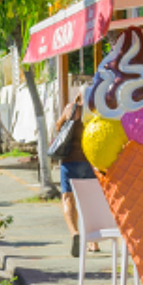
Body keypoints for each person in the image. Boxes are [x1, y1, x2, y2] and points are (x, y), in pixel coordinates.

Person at [53, 98, 100, 258]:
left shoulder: (71, 108)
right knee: (90, 201)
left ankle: (75, 233)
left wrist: (73, 106)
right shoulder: (96, 109)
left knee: (68, 198)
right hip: (90, 160)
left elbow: (58, 127)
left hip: (70, 161)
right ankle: (94, 242)